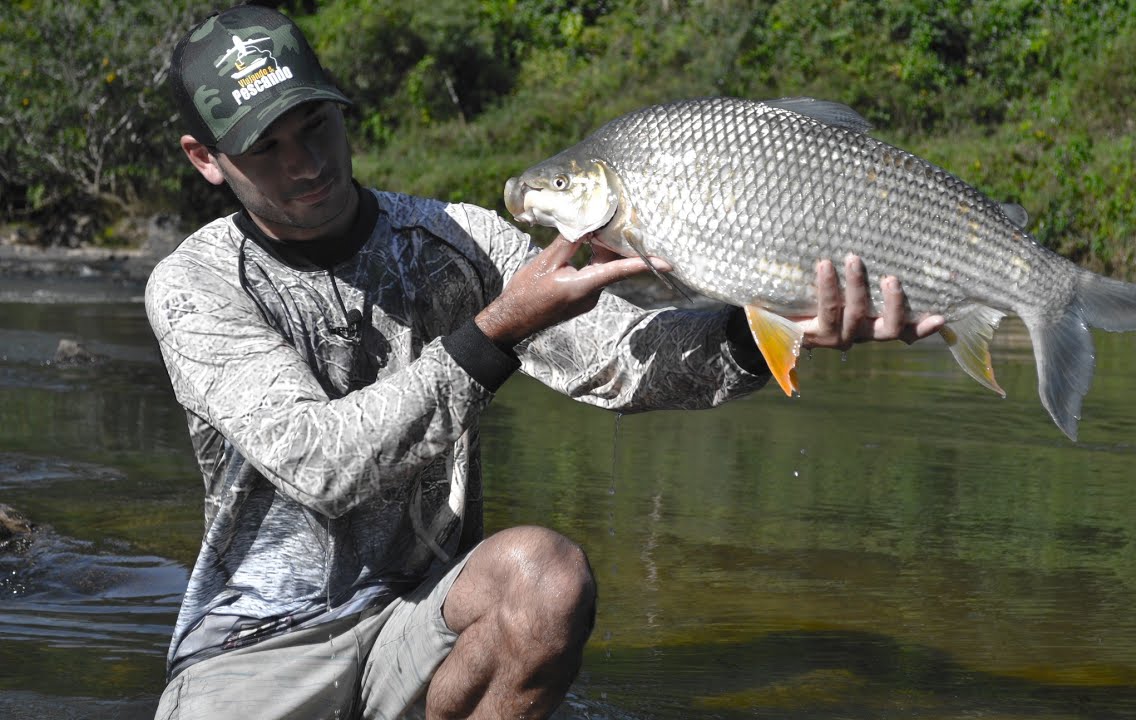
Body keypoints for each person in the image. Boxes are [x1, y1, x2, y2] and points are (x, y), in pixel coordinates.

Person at [147, 5, 944, 719]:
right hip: (259, 646)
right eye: (267, 146)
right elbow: (322, 464)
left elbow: (622, 364)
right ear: (206, 158)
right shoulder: (195, 285)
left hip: (431, 618)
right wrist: (490, 336)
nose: (306, 162)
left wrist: (764, 331)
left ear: (342, 112)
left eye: (315, 125)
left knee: (547, 578)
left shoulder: (457, 241)